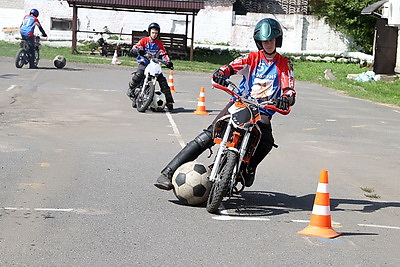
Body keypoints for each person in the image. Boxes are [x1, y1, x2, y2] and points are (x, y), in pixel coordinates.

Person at [154, 18, 296, 190]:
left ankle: (249, 169)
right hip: (241, 103)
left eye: (272, 40)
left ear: (277, 40)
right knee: (210, 133)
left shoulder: (284, 65)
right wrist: (222, 72)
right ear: (259, 42)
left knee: (266, 141)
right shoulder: (250, 58)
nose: (268, 44)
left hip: (264, 110)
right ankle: (167, 172)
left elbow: (289, 88)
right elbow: (230, 67)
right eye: (265, 41)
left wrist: (287, 98)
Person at [127, 22, 174, 110]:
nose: (154, 34)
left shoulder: (159, 44)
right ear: (149, 32)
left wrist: (168, 62)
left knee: (162, 81)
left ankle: (169, 101)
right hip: (144, 63)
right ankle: (131, 88)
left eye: (156, 33)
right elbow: (136, 47)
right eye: (153, 32)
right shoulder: (144, 41)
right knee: (139, 74)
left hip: (154, 64)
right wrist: (136, 51)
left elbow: (163, 54)